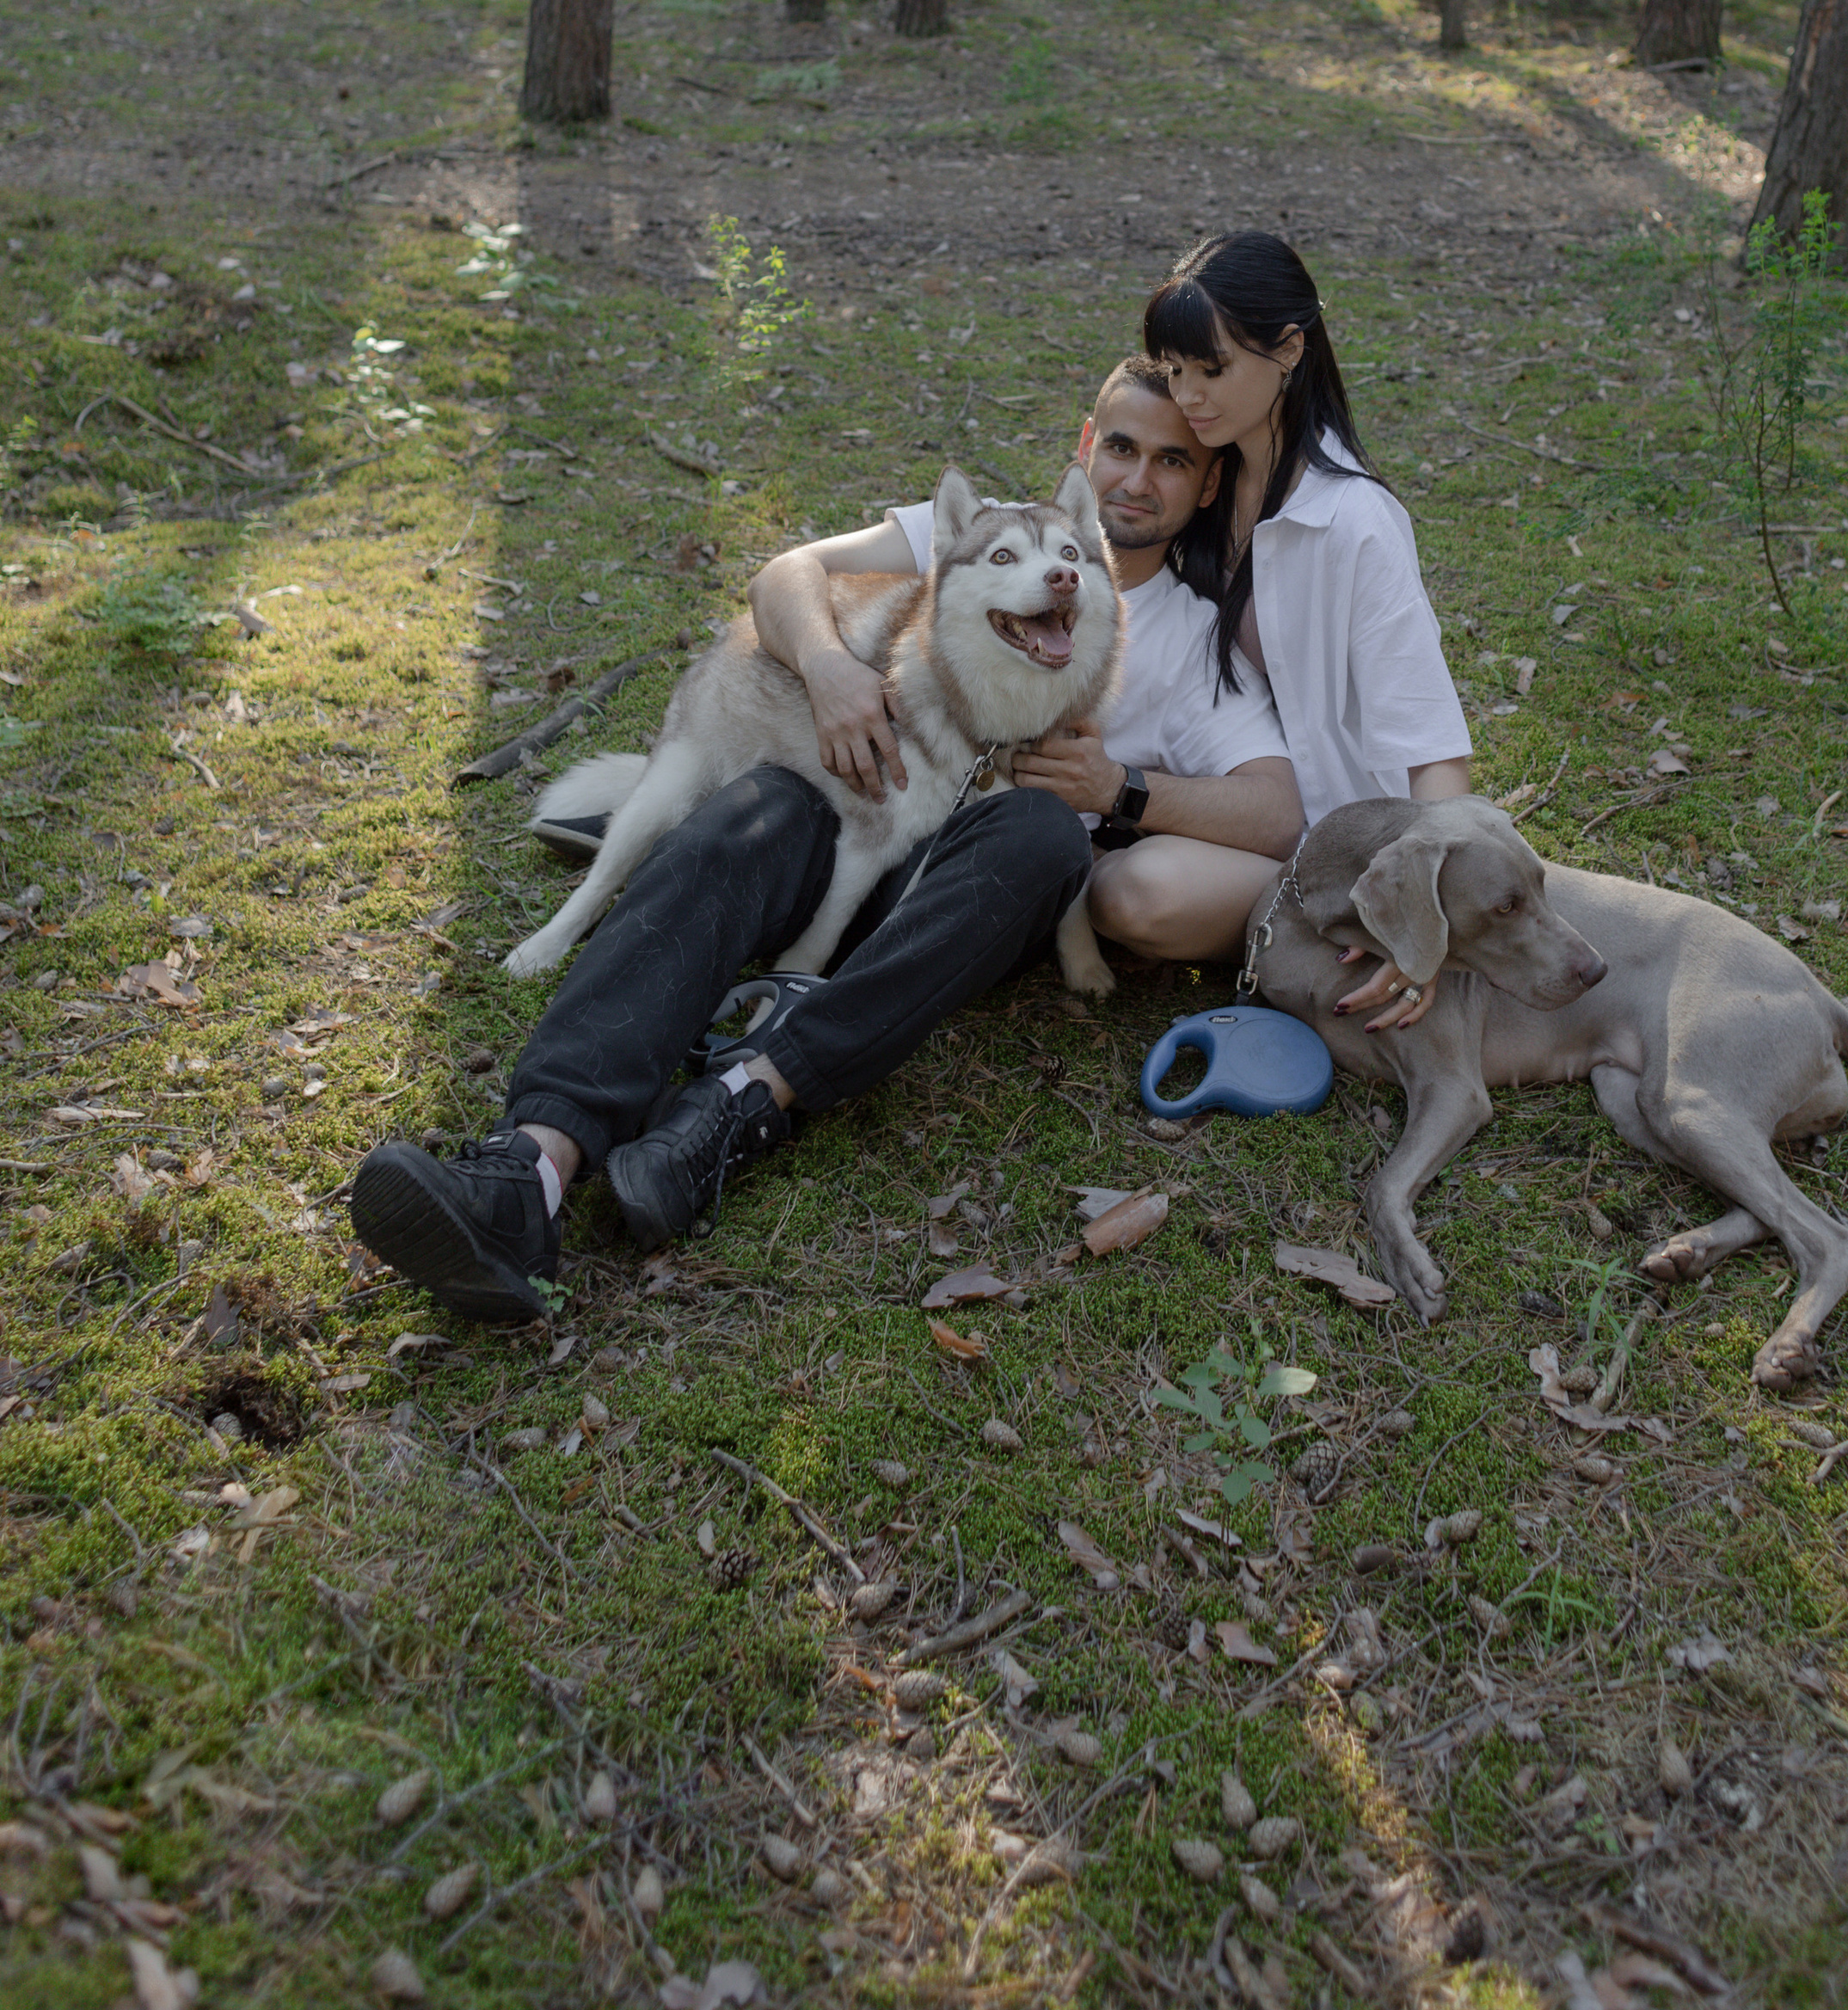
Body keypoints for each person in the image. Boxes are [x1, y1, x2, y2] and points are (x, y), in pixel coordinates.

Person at [347, 360, 1301, 1325]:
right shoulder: (976, 536)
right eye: (1123, 448)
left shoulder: (1203, 637)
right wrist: (827, 668)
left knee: (1042, 831)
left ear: (1207, 483)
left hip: (960, 903)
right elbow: (784, 576)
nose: (1138, 480)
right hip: (849, 823)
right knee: (761, 800)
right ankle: (532, 1167)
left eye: (1173, 461)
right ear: (1085, 449)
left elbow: (1275, 814)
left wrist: (1123, 790)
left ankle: (741, 1105)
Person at [1084, 229, 1472, 1031]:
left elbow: (1432, 746)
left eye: (1212, 370)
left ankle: (1325, 943)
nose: (1189, 395)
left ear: (1289, 349)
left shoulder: (1354, 520)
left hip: (1339, 849)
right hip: (1232, 802)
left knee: (1131, 896)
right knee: (1096, 880)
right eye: (1178, 370)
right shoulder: (1205, 478)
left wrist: (1424, 916)